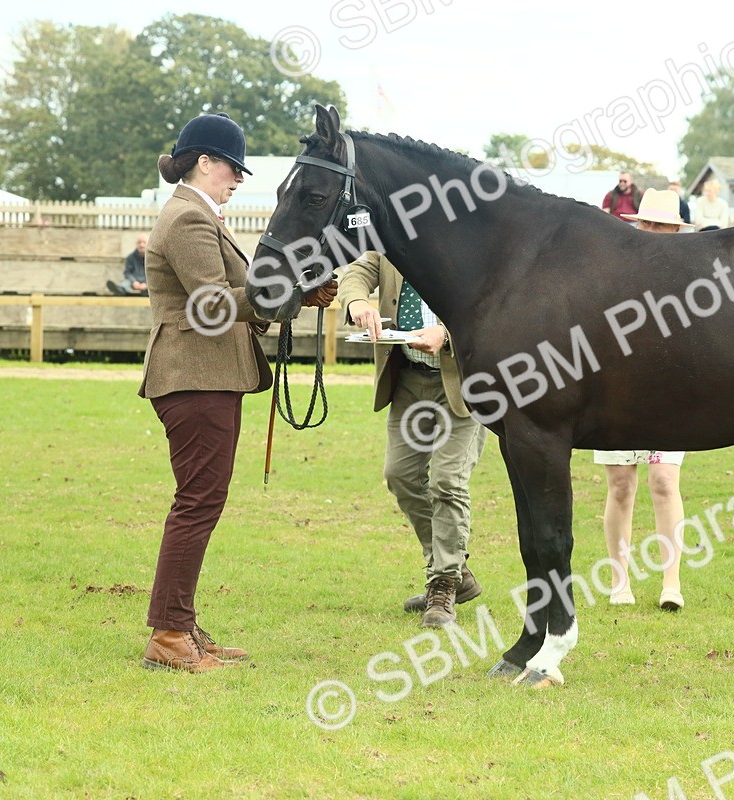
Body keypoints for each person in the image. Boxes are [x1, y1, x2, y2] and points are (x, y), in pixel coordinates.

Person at [139, 111, 336, 673]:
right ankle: (170, 635)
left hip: (208, 375)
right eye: (232, 167)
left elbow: (235, 292)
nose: (238, 179)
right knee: (198, 503)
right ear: (205, 162)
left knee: (201, 501)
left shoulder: (199, 215)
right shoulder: (186, 219)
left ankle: (180, 624)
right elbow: (213, 302)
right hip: (194, 375)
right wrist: (292, 296)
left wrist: (296, 288)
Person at [339, 251, 488, 628]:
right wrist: (357, 301)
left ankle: (443, 585)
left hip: (465, 384)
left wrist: (447, 333)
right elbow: (356, 272)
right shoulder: (394, 239)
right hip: (408, 380)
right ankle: (455, 570)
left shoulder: (473, 240)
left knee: (447, 480)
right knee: (400, 475)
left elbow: (496, 305)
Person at [596, 188, 691, 611]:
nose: (651, 231)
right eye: (645, 223)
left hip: (669, 391)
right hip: (616, 390)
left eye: (660, 225)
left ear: (675, 230)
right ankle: (620, 581)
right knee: (620, 485)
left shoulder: (692, 276)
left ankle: (671, 583)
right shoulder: (612, 270)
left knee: (664, 480)